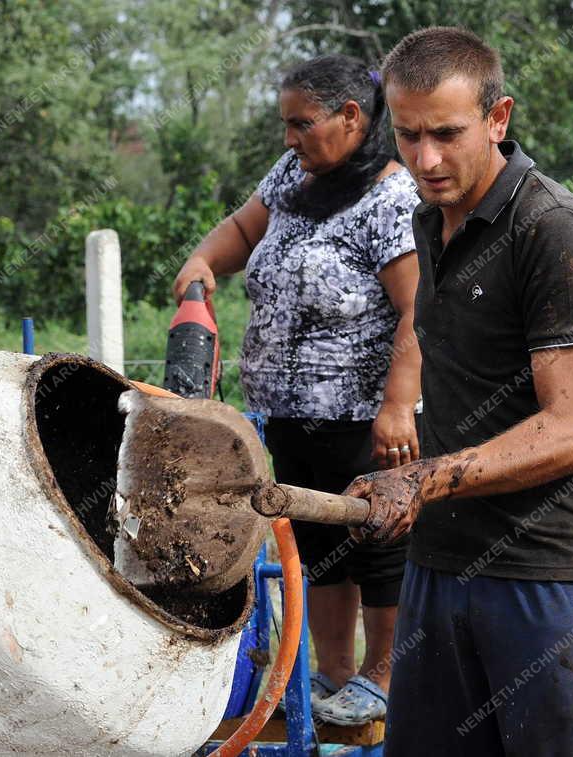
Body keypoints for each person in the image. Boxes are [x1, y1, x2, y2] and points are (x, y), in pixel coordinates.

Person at [343, 27, 573, 755]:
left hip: (546, 578)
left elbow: (572, 431)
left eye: (447, 134)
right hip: (441, 568)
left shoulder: (552, 229)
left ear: (499, 118)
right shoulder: (428, 218)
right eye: (409, 136)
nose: (426, 159)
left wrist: (423, 478)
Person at [173, 54, 423, 726]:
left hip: (365, 415)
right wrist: (202, 260)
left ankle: (385, 673)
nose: (289, 139)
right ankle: (333, 671)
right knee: (319, 546)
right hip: (288, 410)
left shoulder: (391, 196)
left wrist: (399, 404)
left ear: (350, 117)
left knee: (378, 538)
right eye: (285, 124)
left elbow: (416, 309)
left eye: (301, 124)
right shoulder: (294, 174)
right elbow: (240, 229)